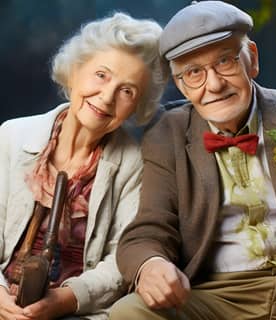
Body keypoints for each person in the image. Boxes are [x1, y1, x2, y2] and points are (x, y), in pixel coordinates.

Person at [109, 1, 276, 319]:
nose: (215, 85)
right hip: (216, 295)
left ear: (252, 60)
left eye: (225, 62)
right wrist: (151, 265)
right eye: (194, 72)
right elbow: (149, 229)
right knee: (130, 312)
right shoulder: (167, 133)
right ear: (179, 84)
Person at [0, 12, 168, 320]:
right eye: (101, 75)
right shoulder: (10, 137)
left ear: (138, 106)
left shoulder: (135, 164)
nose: (106, 98)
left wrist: (63, 301)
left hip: (75, 312)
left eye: (127, 91)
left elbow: (122, 258)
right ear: (75, 71)